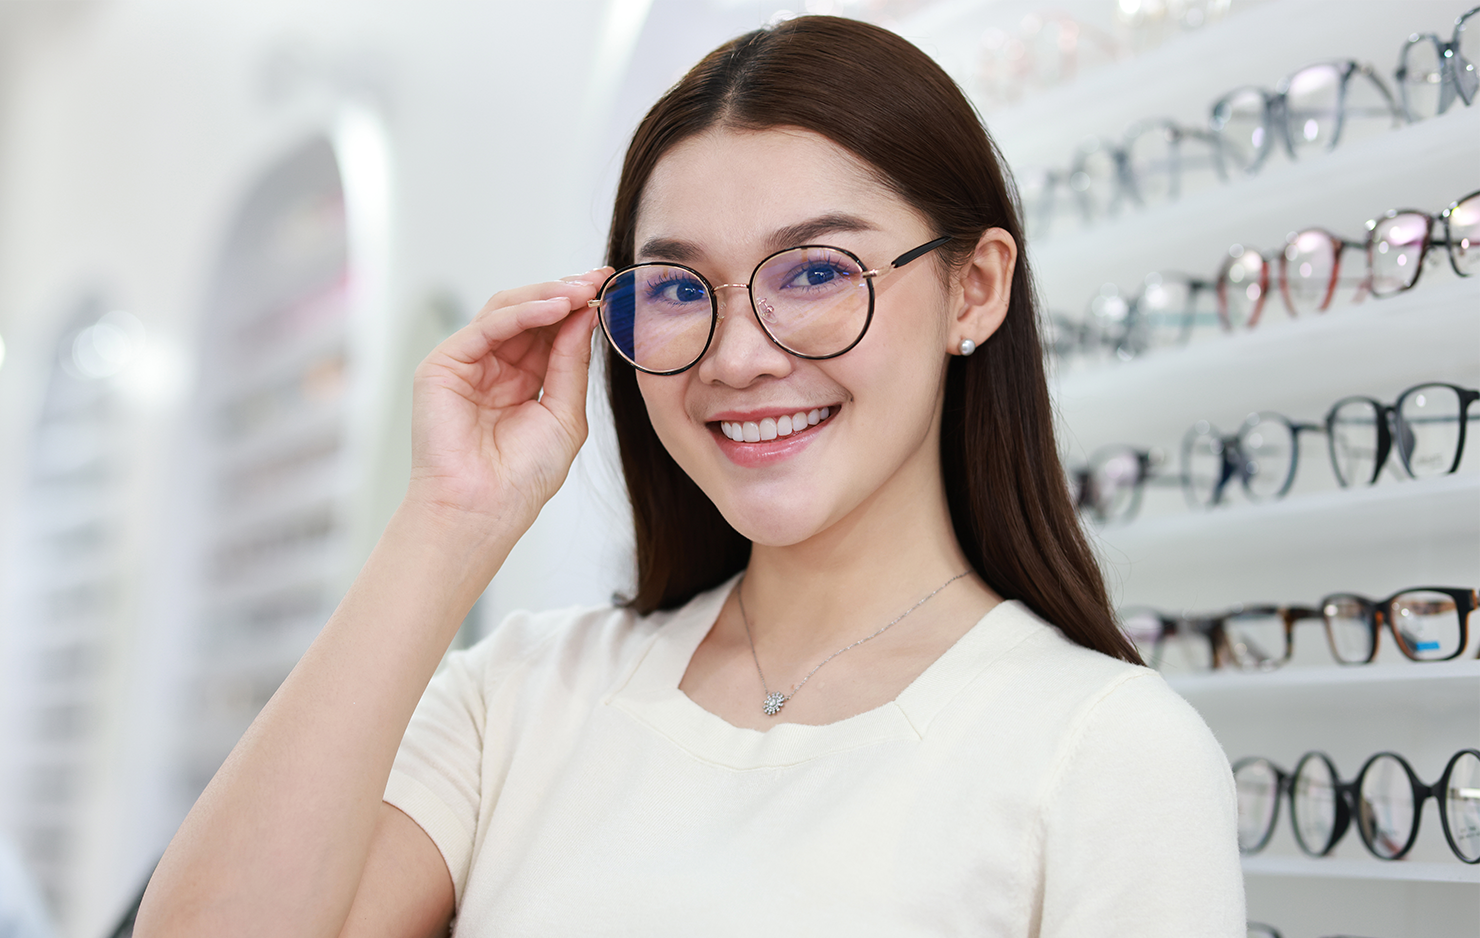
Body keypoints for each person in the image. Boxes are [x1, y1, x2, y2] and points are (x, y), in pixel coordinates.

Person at [135, 15, 1242, 937]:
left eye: (813, 270)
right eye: (677, 288)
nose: (738, 353)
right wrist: (446, 521)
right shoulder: (521, 694)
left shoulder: (1102, 750)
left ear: (973, 290)